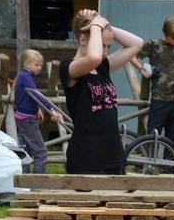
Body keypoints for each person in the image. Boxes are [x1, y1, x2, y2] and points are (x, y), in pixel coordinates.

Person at [60, 9, 143, 175]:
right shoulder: (69, 68)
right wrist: (96, 26)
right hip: (87, 158)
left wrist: (102, 22)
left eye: (108, 46)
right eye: (102, 45)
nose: (105, 51)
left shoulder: (103, 67)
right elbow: (94, 58)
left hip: (113, 155)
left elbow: (137, 43)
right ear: (83, 39)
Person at [129, 17, 174, 154]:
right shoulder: (154, 45)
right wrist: (143, 68)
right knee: (153, 134)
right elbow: (132, 56)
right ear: (166, 34)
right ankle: (150, 164)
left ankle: (170, 167)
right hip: (160, 99)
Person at [13, 49, 61, 175]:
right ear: (27, 64)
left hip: (22, 117)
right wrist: (51, 110)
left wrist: (37, 108)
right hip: (28, 119)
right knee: (41, 152)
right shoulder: (26, 77)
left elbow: (26, 96)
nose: (40, 68)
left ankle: (24, 182)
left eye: (41, 65)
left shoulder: (22, 76)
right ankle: (38, 184)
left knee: (24, 151)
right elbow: (37, 95)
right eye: (37, 65)